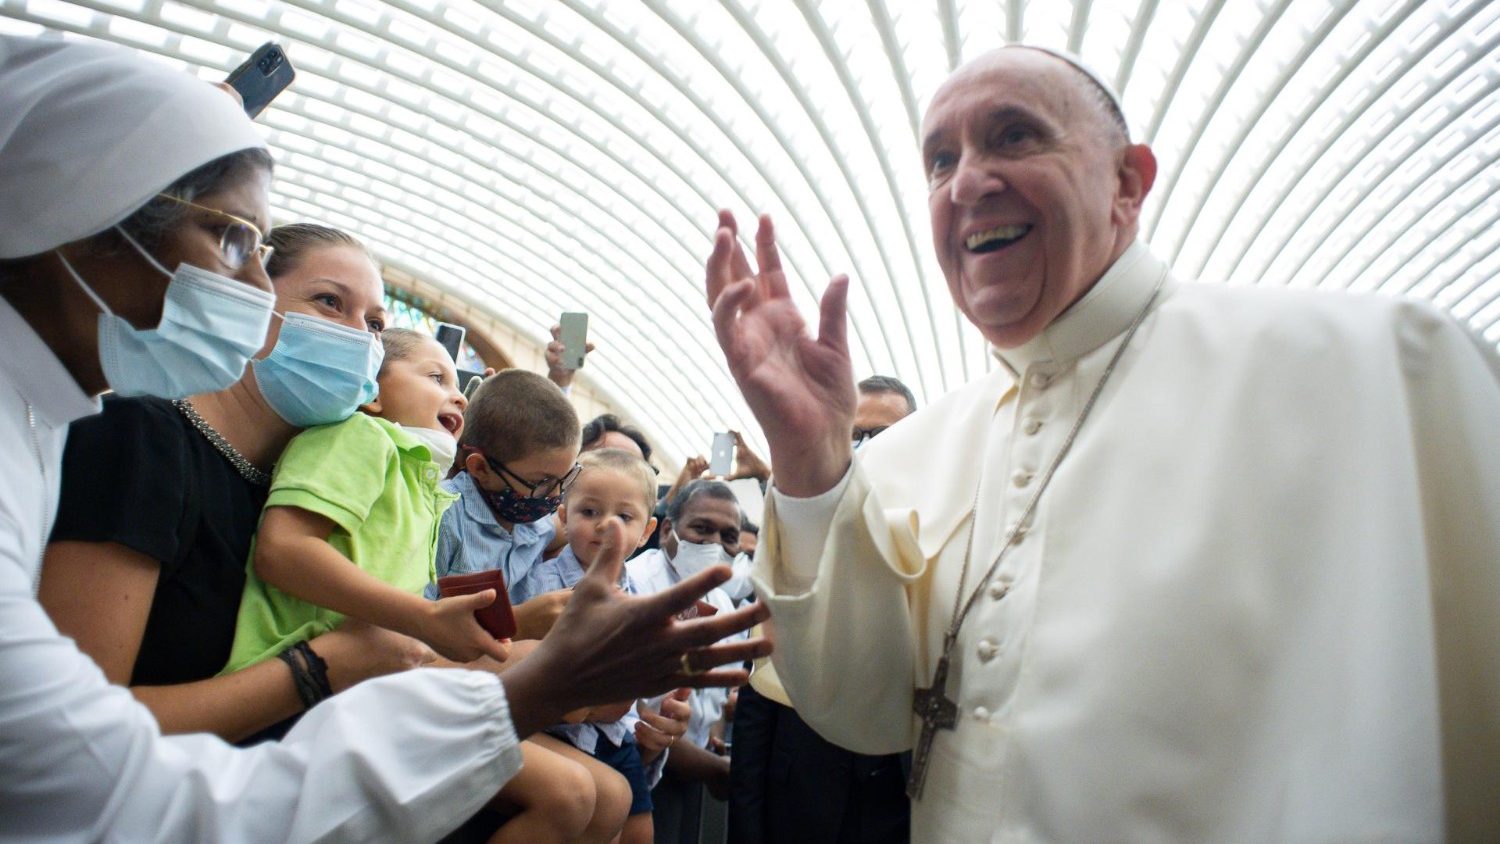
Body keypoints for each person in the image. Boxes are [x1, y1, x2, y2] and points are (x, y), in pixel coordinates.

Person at [706, 44, 1500, 842]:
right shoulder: (921, 446)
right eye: (940, 159)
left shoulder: (1371, 369)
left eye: (1013, 136)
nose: (968, 181)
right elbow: (866, 711)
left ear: (1128, 183)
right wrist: (810, 462)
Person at [0, 35, 768, 842]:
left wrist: (539, 662)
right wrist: (338, 667)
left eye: (374, 322)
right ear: (83, 214)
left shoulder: (248, 456)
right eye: (231, 241)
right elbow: (77, 776)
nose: (253, 287)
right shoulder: (132, 435)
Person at [43, 220, 433, 743]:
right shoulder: (141, 438)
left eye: (376, 324)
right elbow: (72, 729)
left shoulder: (293, 491)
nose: (358, 336)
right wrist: (323, 665)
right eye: (329, 302)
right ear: (253, 302)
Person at [729, 376, 917, 844]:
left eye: (888, 435)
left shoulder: (942, 534)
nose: (870, 448)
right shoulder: (797, 544)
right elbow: (761, 693)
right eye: (856, 435)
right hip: (800, 805)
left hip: (898, 804)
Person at [531, 448, 674, 844]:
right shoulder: (544, 587)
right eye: (589, 512)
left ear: (646, 532)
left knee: (638, 831)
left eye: (624, 517)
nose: (606, 526)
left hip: (616, 737)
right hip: (561, 736)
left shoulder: (639, 595)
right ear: (563, 514)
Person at [627, 480, 744, 842]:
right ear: (667, 531)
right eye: (702, 529)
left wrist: (716, 740)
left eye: (728, 536)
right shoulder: (636, 586)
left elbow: (719, 697)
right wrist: (714, 769)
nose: (714, 545)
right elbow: (636, 716)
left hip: (687, 775)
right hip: (635, 768)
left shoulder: (723, 604)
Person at [432, 368, 578, 632]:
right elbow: (416, 627)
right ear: (480, 469)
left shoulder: (538, 522)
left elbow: (571, 530)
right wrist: (517, 623)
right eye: (541, 483)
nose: (555, 497)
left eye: (566, 478)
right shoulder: (442, 521)